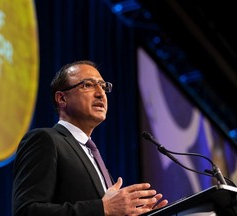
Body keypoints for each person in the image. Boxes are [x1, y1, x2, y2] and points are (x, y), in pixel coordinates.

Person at [12, 60, 168, 216]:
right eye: (88, 85)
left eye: (103, 86)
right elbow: (26, 211)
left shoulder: (94, 157)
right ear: (62, 99)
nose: (101, 93)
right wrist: (103, 208)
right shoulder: (45, 140)